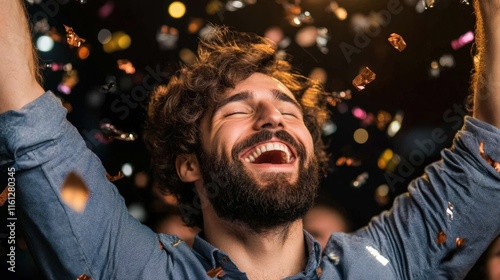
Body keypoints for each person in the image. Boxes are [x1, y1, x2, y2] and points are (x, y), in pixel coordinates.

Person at [0, 0, 499, 279]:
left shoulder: (389, 265)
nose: (271, 116)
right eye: (237, 110)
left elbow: (490, 154)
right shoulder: (130, 268)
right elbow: (26, 115)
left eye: (289, 108)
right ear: (188, 164)